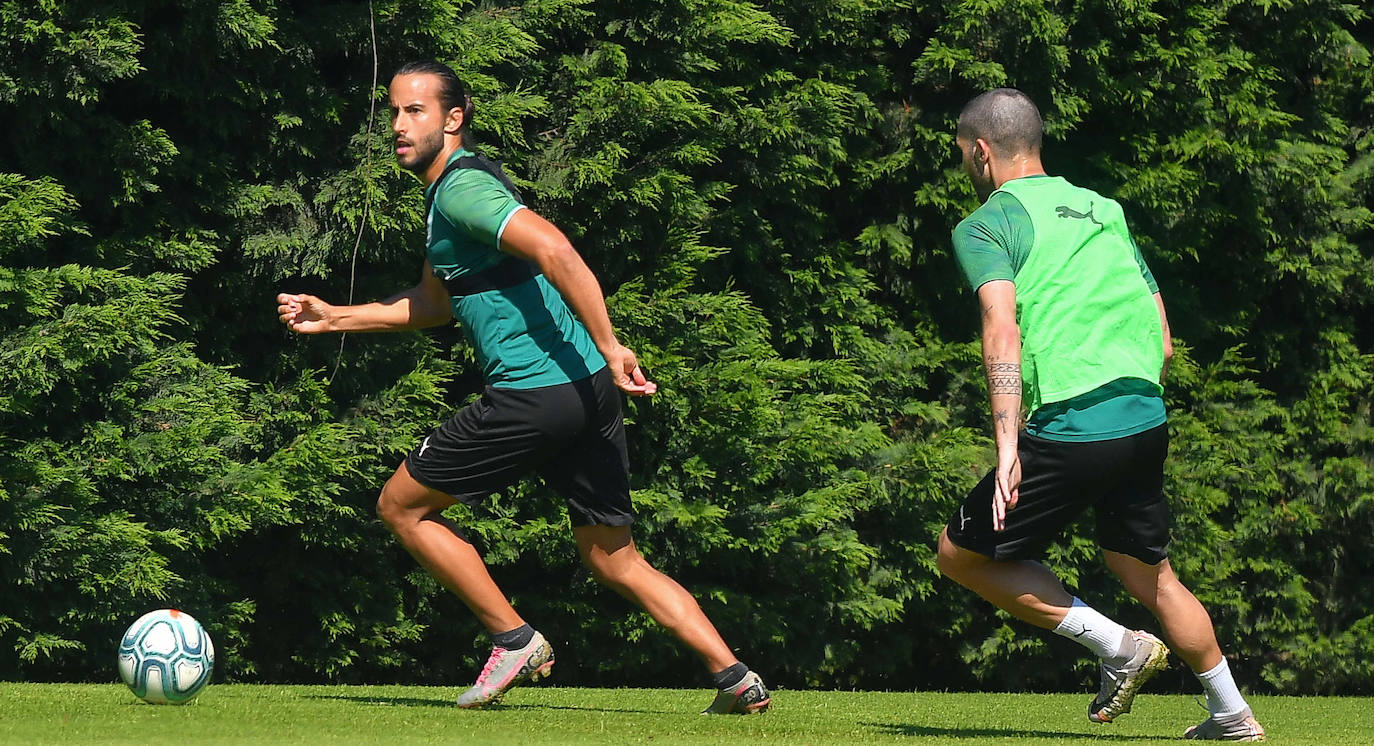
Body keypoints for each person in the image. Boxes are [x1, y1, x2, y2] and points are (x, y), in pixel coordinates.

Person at [276, 59, 770, 715]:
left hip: (537, 395)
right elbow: (434, 301)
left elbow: (556, 250)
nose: (398, 124)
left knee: (401, 506)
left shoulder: (461, 191)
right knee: (613, 556)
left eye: (414, 111)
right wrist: (337, 316)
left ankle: (514, 638)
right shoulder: (448, 196)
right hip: (586, 391)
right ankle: (735, 678)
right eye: (393, 111)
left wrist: (611, 341)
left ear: (453, 119)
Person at [935, 88, 1264, 741]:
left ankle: (1119, 647)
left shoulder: (987, 223)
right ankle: (1232, 712)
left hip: (1075, 425)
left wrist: (1008, 446)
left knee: (959, 555)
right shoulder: (1102, 209)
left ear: (979, 152)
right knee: (1147, 571)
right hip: (1144, 419)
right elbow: (1163, 338)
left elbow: (1002, 328)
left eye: (962, 159)